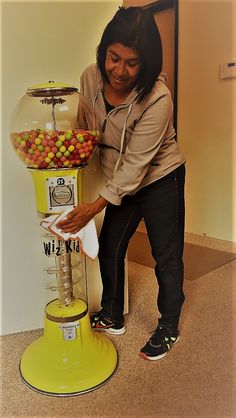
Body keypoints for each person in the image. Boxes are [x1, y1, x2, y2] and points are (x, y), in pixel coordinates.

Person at [57, 6, 186, 361]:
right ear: (104, 51)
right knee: (110, 245)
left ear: (147, 62)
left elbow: (136, 165)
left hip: (161, 178)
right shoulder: (90, 77)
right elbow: (85, 126)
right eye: (114, 58)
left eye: (132, 63)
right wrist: (68, 154)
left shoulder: (158, 98)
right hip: (121, 180)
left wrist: (93, 207)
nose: (120, 70)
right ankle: (113, 315)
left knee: (167, 256)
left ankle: (169, 325)